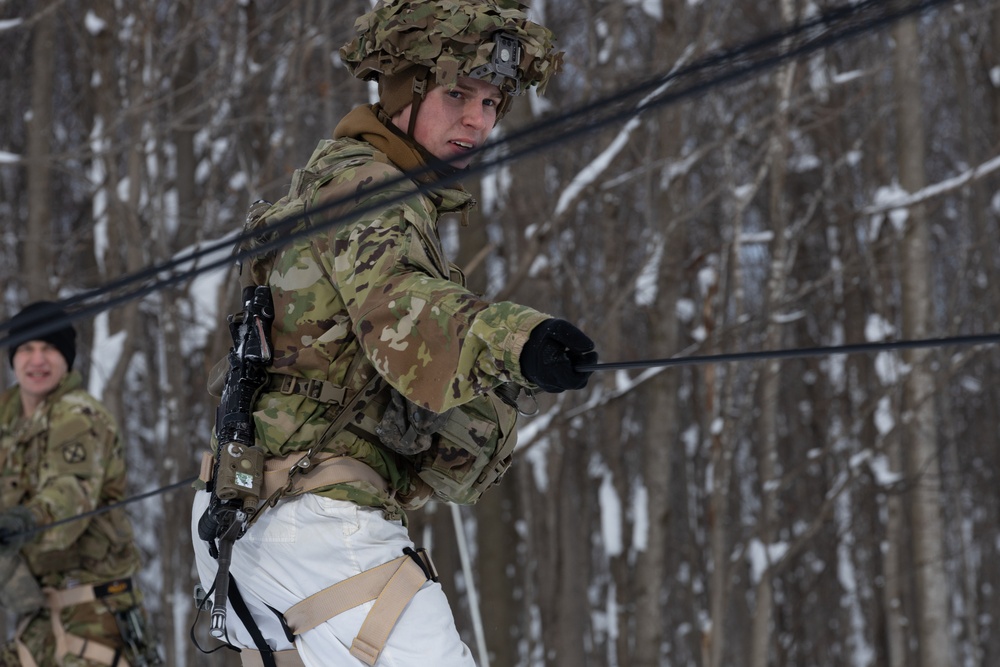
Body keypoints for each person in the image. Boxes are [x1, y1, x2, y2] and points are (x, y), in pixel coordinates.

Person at [191, 1, 596, 665]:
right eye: (457, 94)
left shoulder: (336, 182)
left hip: (249, 524)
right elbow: (407, 313)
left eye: (493, 103)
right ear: (403, 93)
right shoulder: (372, 190)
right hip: (318, 527)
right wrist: (520, 340)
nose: (477, 120)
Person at [0, 301, 161, 667]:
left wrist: (24, 521)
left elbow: (68, 498)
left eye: (49, 348)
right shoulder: (7, 419)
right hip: (35, 617)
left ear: (67, 357)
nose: (37, 360)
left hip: (93, 613)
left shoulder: (78, 415)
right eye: (26, 348)